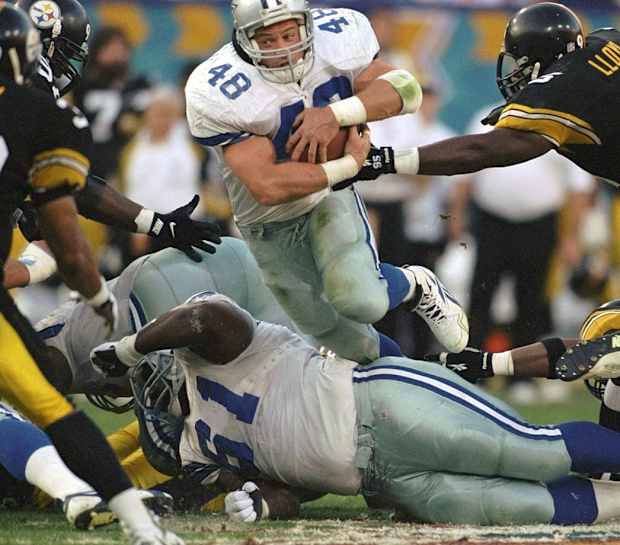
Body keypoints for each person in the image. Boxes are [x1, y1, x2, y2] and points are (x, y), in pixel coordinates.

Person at [91, 290, 620, 526]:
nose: (148, 403)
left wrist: (130, 347)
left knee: (531, 453)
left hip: (378, 404)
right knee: (522, 509)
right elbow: (292, 490)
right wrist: (260, 506)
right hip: (380, 480)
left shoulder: (218, 348)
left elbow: (201, 316)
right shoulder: (194, 445)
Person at [185, 0, 469, 364]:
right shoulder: (219, 87)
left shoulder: (337, 38)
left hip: (327, 198)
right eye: (268, 39)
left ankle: (416, 286)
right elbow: (267, 186)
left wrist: (334, 115)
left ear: (306, 25)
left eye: (289, 33)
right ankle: (410, 380)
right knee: (348, 343)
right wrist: (350, 164)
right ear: (244, 39)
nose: (284, 47)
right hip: (266, 222)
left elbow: (406, 90)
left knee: (363, 301)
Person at [0, 5, 182, 544]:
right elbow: (65, 228)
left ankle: (70, 491)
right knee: (50, 404)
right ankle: (129, 521)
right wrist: (96, 294)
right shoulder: (44, 115)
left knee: (46, 391)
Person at [14, 0, 221, 266]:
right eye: (65, 50)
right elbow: (71, 182)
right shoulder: (33, 78)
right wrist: (158, 225)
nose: (66, 65)